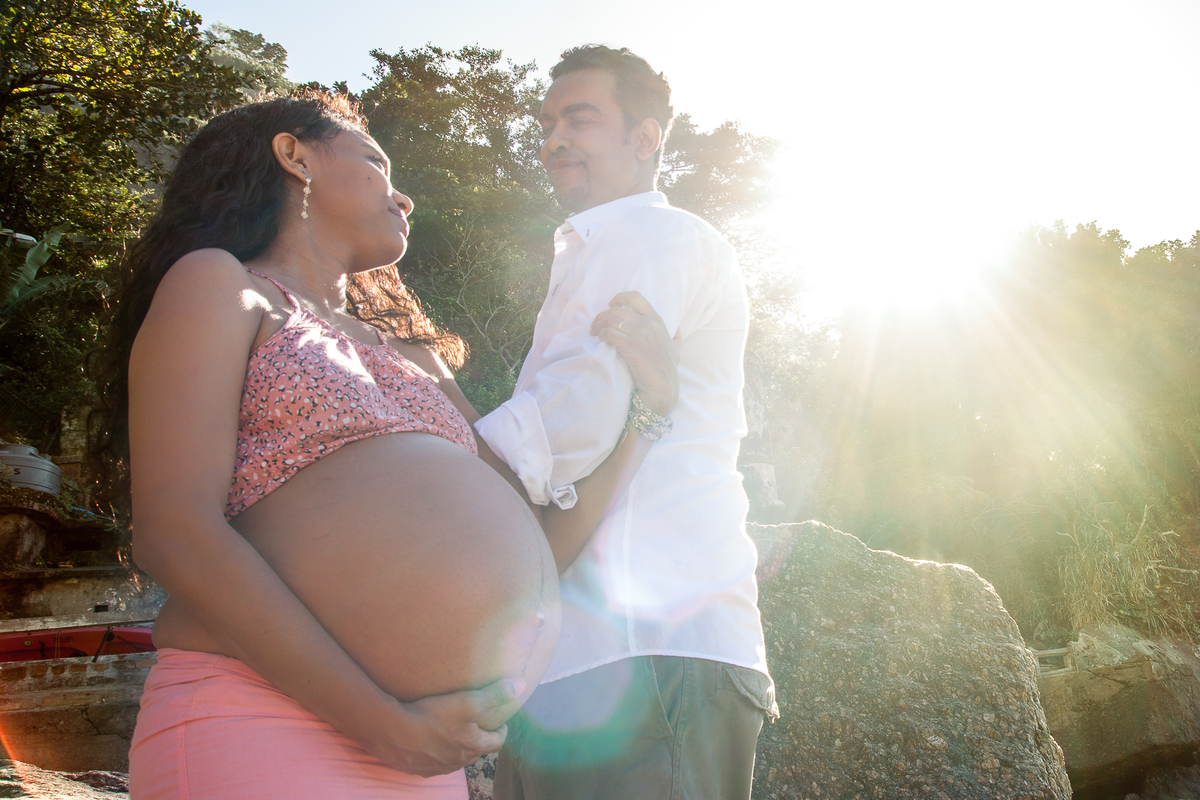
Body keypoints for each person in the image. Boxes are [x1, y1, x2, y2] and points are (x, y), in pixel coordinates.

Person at [87, 93, 679, 799]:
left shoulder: (421, 360)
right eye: (374, 160)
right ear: (293, 156)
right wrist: (380, 723)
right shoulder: (223, 285)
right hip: (261, 715)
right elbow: (175, 531)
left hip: (425, 753)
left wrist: (651, 413)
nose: (402, 195)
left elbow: (540, 543)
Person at [476, 46, 779, 800]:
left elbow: (573, 424)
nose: (554, 139)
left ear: (647, 138)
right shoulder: (598, 247)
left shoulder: (651, 236)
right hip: (589, 661)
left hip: (652, 652)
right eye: (547, 122)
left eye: (580, 118)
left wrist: (415, 461)